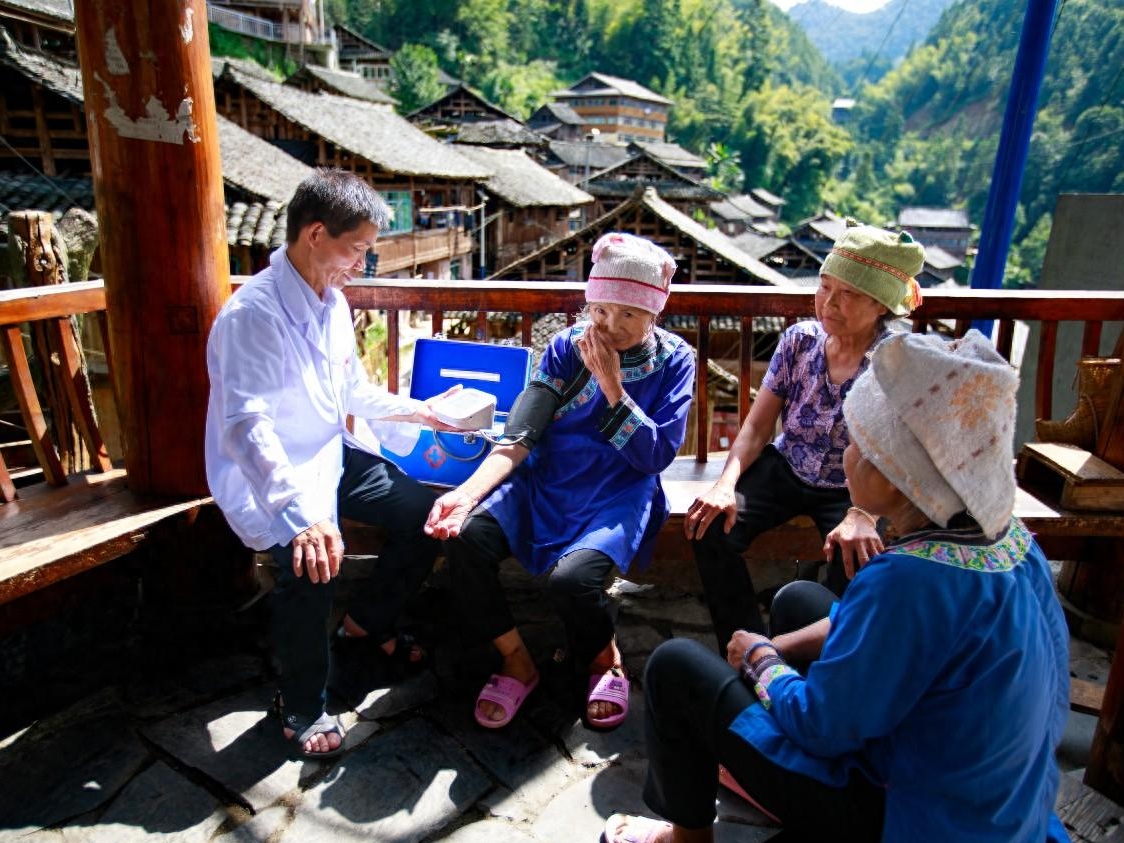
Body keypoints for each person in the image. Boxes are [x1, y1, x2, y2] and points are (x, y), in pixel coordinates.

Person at [603, 330, 1072, 843]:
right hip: (999, 800)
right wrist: (778, 646)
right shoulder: (1011, 542)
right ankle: (772, 778)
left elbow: (820, 725)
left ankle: (686, 838)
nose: (845, 454)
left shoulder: (908, 580)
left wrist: (762, 659)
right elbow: (895, 635)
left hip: (909, 813)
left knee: (676, 667)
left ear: (893, 478)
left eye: (855, 443)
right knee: (798, 602)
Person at [205, 169, 463, 760]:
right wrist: (301, 515)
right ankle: (301, 701)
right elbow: (246, 428)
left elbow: (350, 392)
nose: (362, 264)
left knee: (424, 516)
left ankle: (365, 624)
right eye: (358, 249)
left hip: (330, 453)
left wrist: (426, 413)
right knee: (311, 561)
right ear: (316, 234)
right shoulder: (253, 316)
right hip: (270, 474)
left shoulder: (333, 303)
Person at [425, 232, 695, 731]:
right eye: (601, 310)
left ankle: (604, 659)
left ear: (653, 314)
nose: (609, 326)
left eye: (628, 314)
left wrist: (611, 385)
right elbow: (519, 437)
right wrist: (463, 495)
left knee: (573, 583)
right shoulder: (565, 348)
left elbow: (656, 455)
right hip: (547, 481)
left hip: (619, 488)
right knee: (465, 538)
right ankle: (516, 659)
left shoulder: (676, 360)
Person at [686, 221, 925, 644]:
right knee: (711, 527)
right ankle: (746, 646)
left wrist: (864, 515)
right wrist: (725, 485)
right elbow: (757, 427)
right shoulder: (799, 341)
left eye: (848, 294)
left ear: (881, 305)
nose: (829, 303)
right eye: (824, 287)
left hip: (855, 486)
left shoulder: (894, 361)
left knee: (856, 557)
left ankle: (818, 656)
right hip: (788, 465)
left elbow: (900, 452)